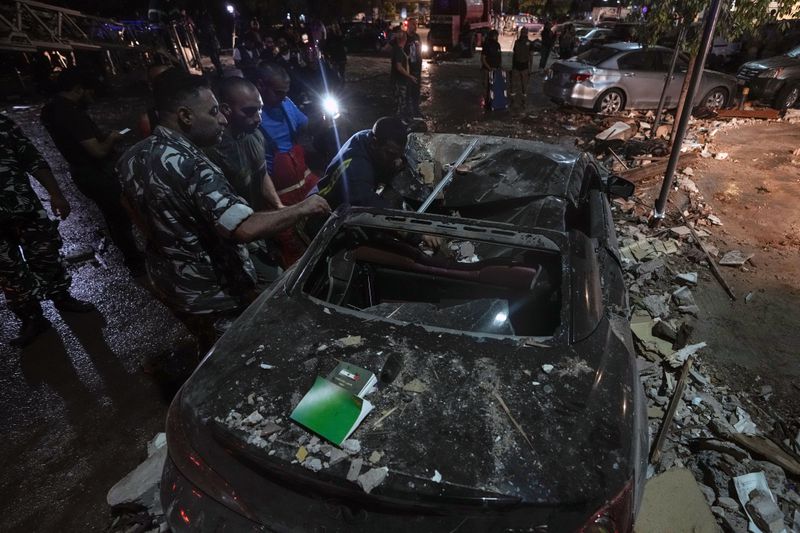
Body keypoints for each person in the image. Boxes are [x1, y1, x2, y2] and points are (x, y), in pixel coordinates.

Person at [116, 70, 330, 354]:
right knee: (235, 356)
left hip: (172, 284)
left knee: (206, 346)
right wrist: (304, 207)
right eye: (214, 111)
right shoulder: (193, 165)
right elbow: (243, 227)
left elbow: (128, 205)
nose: (223, 119)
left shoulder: (133, 156)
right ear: (185, 116)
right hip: (212, 293)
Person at [1, 115, 95, 347]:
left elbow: (32, 158)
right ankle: (31, 318)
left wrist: (56, 193)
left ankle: (62, 297)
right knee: (8, 270)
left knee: (46, 254)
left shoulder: (3, 124)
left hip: (24, 208)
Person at [41, 68, 144, 274]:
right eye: (90, 92)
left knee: (113, 216)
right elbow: (97, 151)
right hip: (96, 173)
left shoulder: (51, 109)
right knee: (119, 215)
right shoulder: (71, 113)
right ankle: (134, 260)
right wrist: (112, 138)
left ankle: (131, 255)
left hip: (81, 172)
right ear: (79, 89)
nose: (92, 97)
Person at [204, 77, 284, 285]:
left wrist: (278, 206)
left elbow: (262, 174)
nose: (258, 118)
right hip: (230, 232)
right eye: (249, 111)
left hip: (254, 222)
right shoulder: (211, 150)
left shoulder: (255, 135)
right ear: (226, 109)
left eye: (259, 110)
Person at [247, 63, 318, 266]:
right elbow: (258, 171)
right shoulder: (251, 118)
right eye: (278, 93)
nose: (283, 97)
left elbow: (305, 125)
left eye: (285, 93)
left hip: (303, 182)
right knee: (293, 248)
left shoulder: (285, 103)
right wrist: (278, 207)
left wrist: (324, 119)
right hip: (279, 194)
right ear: (261, 86)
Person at [314, 116, 408, 210]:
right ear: (374, 143)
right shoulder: (356, 169)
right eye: (391, 154)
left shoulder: (368, 137)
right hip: (323, 212)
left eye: (398, 155)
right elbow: (374, 209)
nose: (397, 160)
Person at [390, 30, 417, 118]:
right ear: (404, 40)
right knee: (400, 104)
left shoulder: (399, 49)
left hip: (400, 81)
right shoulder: (398, 50)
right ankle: (397, 122)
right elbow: (399, 67)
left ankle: (399, 121)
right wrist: (410, 76)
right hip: (399, 82)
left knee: (400, 103)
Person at [404, 19, 423, 117]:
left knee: (416, 91)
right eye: (413, 25)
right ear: (408, 25)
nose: (415, 27)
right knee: (407, 91)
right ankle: (407, 113)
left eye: (416, 25)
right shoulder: (404, 37)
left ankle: (416, 111)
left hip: (416, 68)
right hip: (407, 69)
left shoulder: (417, 37)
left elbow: (419, 51)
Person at [511, 27, 533, 105]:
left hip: (524, 66)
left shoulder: (529, 43)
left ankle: (524, 100)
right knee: (514, 83)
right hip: (516, 66)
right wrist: (512, 66)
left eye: (525, 32)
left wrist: (530, 68)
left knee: (524, 84)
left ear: (527, 33)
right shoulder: (517, 42)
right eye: (522, 32)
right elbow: (514, 54)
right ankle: (513, 99)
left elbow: (531, 56)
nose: (523, 33)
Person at [481, 29, 502, 108]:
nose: (497, 37)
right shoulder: (486, 45)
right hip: (487, 69)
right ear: (494, 36)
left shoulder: (497, 45)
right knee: (486, 86)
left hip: (495, 69)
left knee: (493, 87)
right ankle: (486, 102)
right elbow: (483, 59)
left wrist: (499, 67)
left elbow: (499, 57)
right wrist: (489, 68)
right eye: (496, 36)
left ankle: (493, 102)